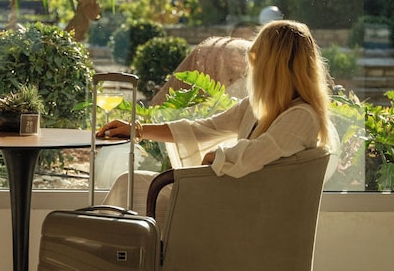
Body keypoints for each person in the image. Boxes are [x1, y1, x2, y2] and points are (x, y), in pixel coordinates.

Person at [96, 19, 336, 230]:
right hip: (226, 198)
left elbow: (254, 154)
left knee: (136, 190)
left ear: (276, 66)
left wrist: (217, 156)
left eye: (257, 60)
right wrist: (137, 130)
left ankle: (113, 254)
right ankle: (111, 254)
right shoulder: (255, 108)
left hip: (243, 215)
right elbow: (204, 128)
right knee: (130, 183)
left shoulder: (302, 117)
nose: (252, 70)